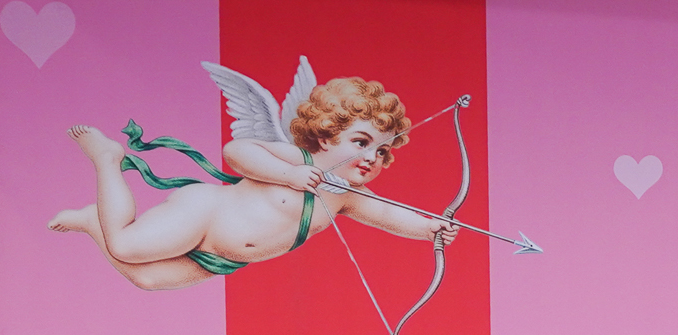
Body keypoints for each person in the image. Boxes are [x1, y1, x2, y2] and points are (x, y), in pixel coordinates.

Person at [53, 63, 457, 292]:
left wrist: (430, 229)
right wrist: (290, 174)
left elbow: (389, 215)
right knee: (125, 246)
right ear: (325, 135)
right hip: (205, 213)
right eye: (362, 142)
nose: (372, 157)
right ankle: (107, 159)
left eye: (382, 151)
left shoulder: (349, 196)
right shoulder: (298, 157)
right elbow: (236, 152)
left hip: (223, 257)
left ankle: (92, 220)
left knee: (147, 279)